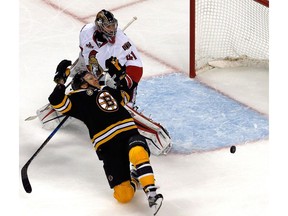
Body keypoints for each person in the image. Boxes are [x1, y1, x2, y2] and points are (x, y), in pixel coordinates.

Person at [49, 59, 163, 215]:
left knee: (137, 151)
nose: (95, 78)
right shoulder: (76, 98)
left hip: (127, 133)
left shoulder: (109, 90)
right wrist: (61, 79)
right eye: (90, 78)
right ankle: (135, 177)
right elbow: (56, 101)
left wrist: (120, 74)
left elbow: (127, 94)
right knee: (123, 196)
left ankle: (151, 192)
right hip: (107, 146)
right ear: (82, 84)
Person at [72, 9, 143, 107]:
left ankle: (129, 105)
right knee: (78, 76)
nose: (112, 29)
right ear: (100, 26)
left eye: (113, 25)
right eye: (109, 26)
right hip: (96, 61)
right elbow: (83, 50)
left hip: (125, 68)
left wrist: (122, 79)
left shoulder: (121, 42)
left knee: (115, 90)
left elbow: (135, 67)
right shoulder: (86, 31)